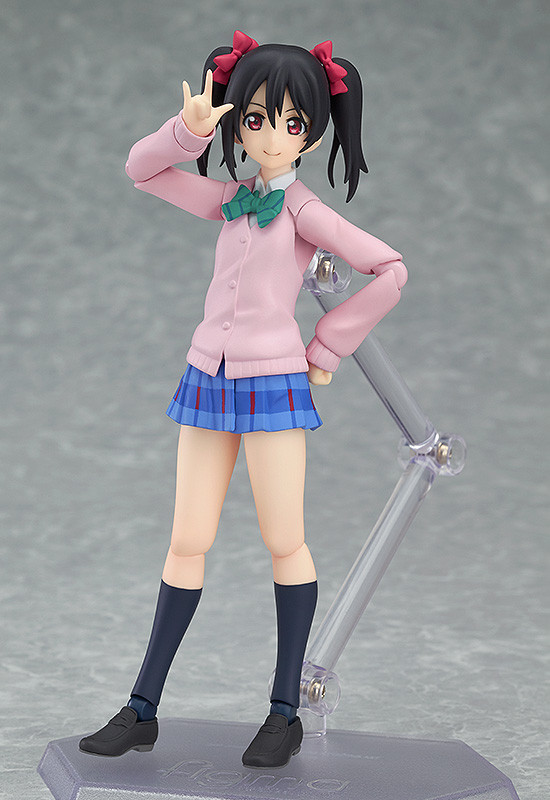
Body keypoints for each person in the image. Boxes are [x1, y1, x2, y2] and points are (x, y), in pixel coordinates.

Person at [79, 31, 407, 768]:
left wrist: (327, 347)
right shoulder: (231, 200)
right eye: (255, 118)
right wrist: (188, 130)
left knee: (283, 539)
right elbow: (141, 170)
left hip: (273, 385)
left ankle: (284, 710)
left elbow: (389, 269)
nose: (270, 135)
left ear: (312, 132)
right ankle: (142, 707)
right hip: (207, 377)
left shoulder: (304, 212)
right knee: (186, 538)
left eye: (291, 122)